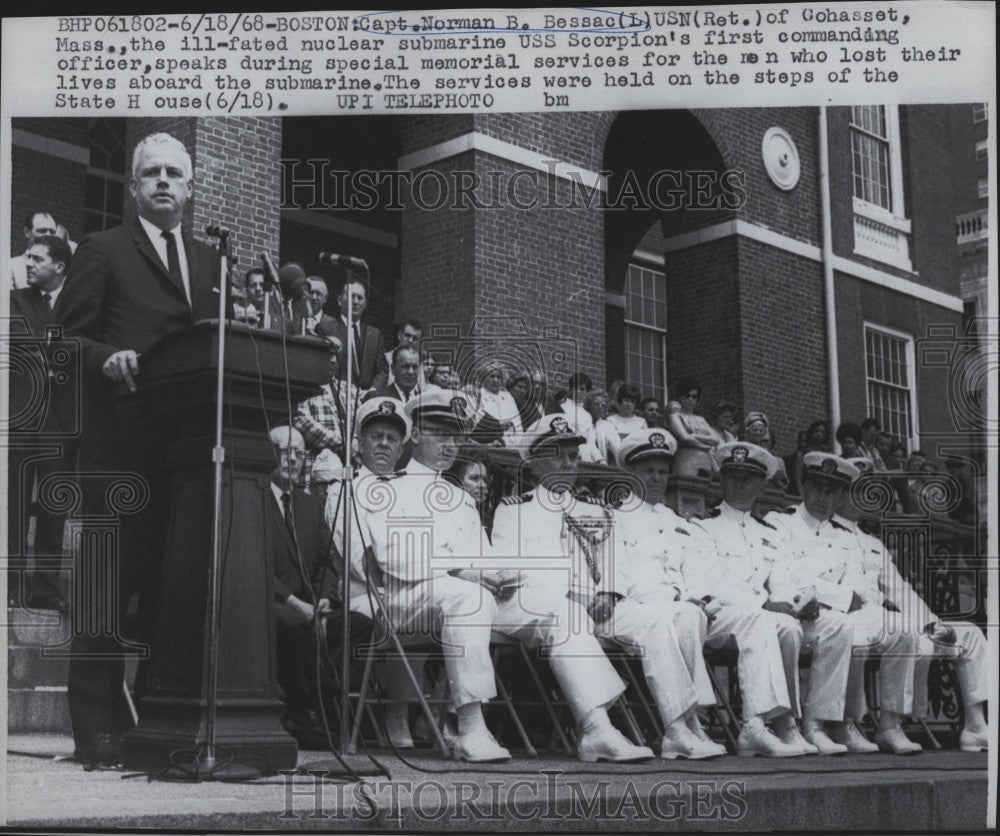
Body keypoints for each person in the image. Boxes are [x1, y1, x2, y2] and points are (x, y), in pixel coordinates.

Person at [55, 132, 224, 768]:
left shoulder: (211, 262)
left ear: (189, 186)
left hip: (184, 451)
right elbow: (63, 344)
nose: (161, 181)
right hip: (118, 447)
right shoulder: (102, 249)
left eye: (172, 173)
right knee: (106, 591)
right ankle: (95, 729)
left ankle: (161, 720)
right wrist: (105, 360)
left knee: (168, 589)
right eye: (148, 172)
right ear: (132, 188)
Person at [420, 405, 651, 763]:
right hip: (517, 604)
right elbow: (512, 569)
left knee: (568, 615)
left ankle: (598, 728)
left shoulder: (593, 510)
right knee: (565, 612)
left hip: (571, 610)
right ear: (536, 464)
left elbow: (612, 561)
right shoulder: (513, 509)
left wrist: (605, 592)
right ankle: (597, 729)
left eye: (573, 456)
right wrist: (570, 595)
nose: (569, 464)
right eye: (558, 457)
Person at [558, 427, 726, 759]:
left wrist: (692, 596)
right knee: (659, 623)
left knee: (691, 614)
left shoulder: (674, 519)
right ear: (630, 473)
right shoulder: (612, 516)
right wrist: (610, 593)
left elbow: (687, 569)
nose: (657, 478)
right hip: (622, 605)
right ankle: (676, 727)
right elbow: (608, 567)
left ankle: (694, 720)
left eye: (663, 472)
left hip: (668, 606)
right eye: (648, 471)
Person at [694, 442, 856, 756]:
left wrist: (797, 601)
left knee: (805, 625)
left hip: (759, 618)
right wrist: (766, 604)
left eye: (749, 479)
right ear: (721, 481)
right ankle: (752, 727)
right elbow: (709, 585)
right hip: (720, 617)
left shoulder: (768, 531)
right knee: (766, 620)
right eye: (733, 477)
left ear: (762, 484)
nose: (740, 485)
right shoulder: (703, 525)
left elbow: (782, 579)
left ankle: (794, 724)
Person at [764, 453, 922, 755]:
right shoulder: (779, 522)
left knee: (903, 627)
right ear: (804, 486)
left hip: (837, 615)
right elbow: (784, 577)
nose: (823, 498)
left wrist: (842, 597)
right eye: (817, 488)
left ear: (841, 497)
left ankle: (889, 725)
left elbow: (855, 588)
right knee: (843, 625)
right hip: (799, 615)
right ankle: (815, 723)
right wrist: (839, 597)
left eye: (833, 492)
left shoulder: (844, 536)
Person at [836, 458, 988, 753]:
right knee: (905, 632)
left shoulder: (871, 543)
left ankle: (976, 727)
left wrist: (932, 623)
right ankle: (889, 726)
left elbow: (900, 590)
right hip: (854, 624)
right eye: (857, 490)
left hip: (888, 622)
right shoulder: (822, 535)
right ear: (841, 493)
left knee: (968, 634)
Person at [267, 426, 373, 747]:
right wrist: (300, 605)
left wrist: (323, 599)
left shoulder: (310, 505)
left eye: (299, 453)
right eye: (285, 451)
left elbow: (326, 561)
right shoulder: (253, 499)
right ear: (268, 454)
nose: (294, 459)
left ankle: (327, 702)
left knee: (362, 625)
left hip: (313, 605)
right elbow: (253, 563)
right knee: (295, 625)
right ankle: (303, 711)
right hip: (271, 602)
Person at [7, 234, 77, 612]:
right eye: (27, 257)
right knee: (14, 504)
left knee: (53, 508)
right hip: (21, 417)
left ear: (59, 267)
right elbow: (21, 344)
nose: (28, 263)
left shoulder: (78, 304)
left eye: (36, 259)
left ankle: (46, 589)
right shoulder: (16, 300)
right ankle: (12, 585)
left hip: (61, 421)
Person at [294, 336, 356, 492]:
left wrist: (355, 442)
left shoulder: (349, 389)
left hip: (348, 469)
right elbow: (301, 420)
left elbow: (360, 422)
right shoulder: (303, 385)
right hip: (314, 471)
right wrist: (340, 443)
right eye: (329, 354)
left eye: (338, 355)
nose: (333, 360)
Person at [326, 278, 388, 393]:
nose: (355, 301)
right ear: (340, 300)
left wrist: (372, 390)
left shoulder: (375, 335)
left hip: (368, 399)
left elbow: (382, 371)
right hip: (340, 396)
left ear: (364, 305)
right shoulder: (327, 329)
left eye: (360, 298)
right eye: (351, 296)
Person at [667, 376, 720, 478]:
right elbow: (685, 438)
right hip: (686, 460)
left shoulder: (701, 419)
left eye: (694, 396)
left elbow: (715, 439)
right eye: (687, 396)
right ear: (680, 398)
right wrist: (705, 446)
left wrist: (694, 435)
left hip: (705, 462)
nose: (690, 399)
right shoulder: (675, 417)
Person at [471, 361, 523, 444]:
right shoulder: (478, 395)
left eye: (498, 377)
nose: (495, 380)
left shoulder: (507, 397)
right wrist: (499, 425)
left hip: (510, 446)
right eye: (491, 376)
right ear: (483, 378)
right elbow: (475, 424)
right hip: (487, 445)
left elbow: (518, 425)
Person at [9, 209, 59, 289]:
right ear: (27, 232)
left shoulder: (60, 267)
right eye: (42, 231)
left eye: (52, 232)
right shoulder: (11, 266)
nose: (48, 235)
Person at [384, 318, 424, 388]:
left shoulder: (418, 361)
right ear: (399, 335)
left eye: (415, 338)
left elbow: (421, 387)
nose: (410, 340)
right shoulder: (386, 358)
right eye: (407, 335)